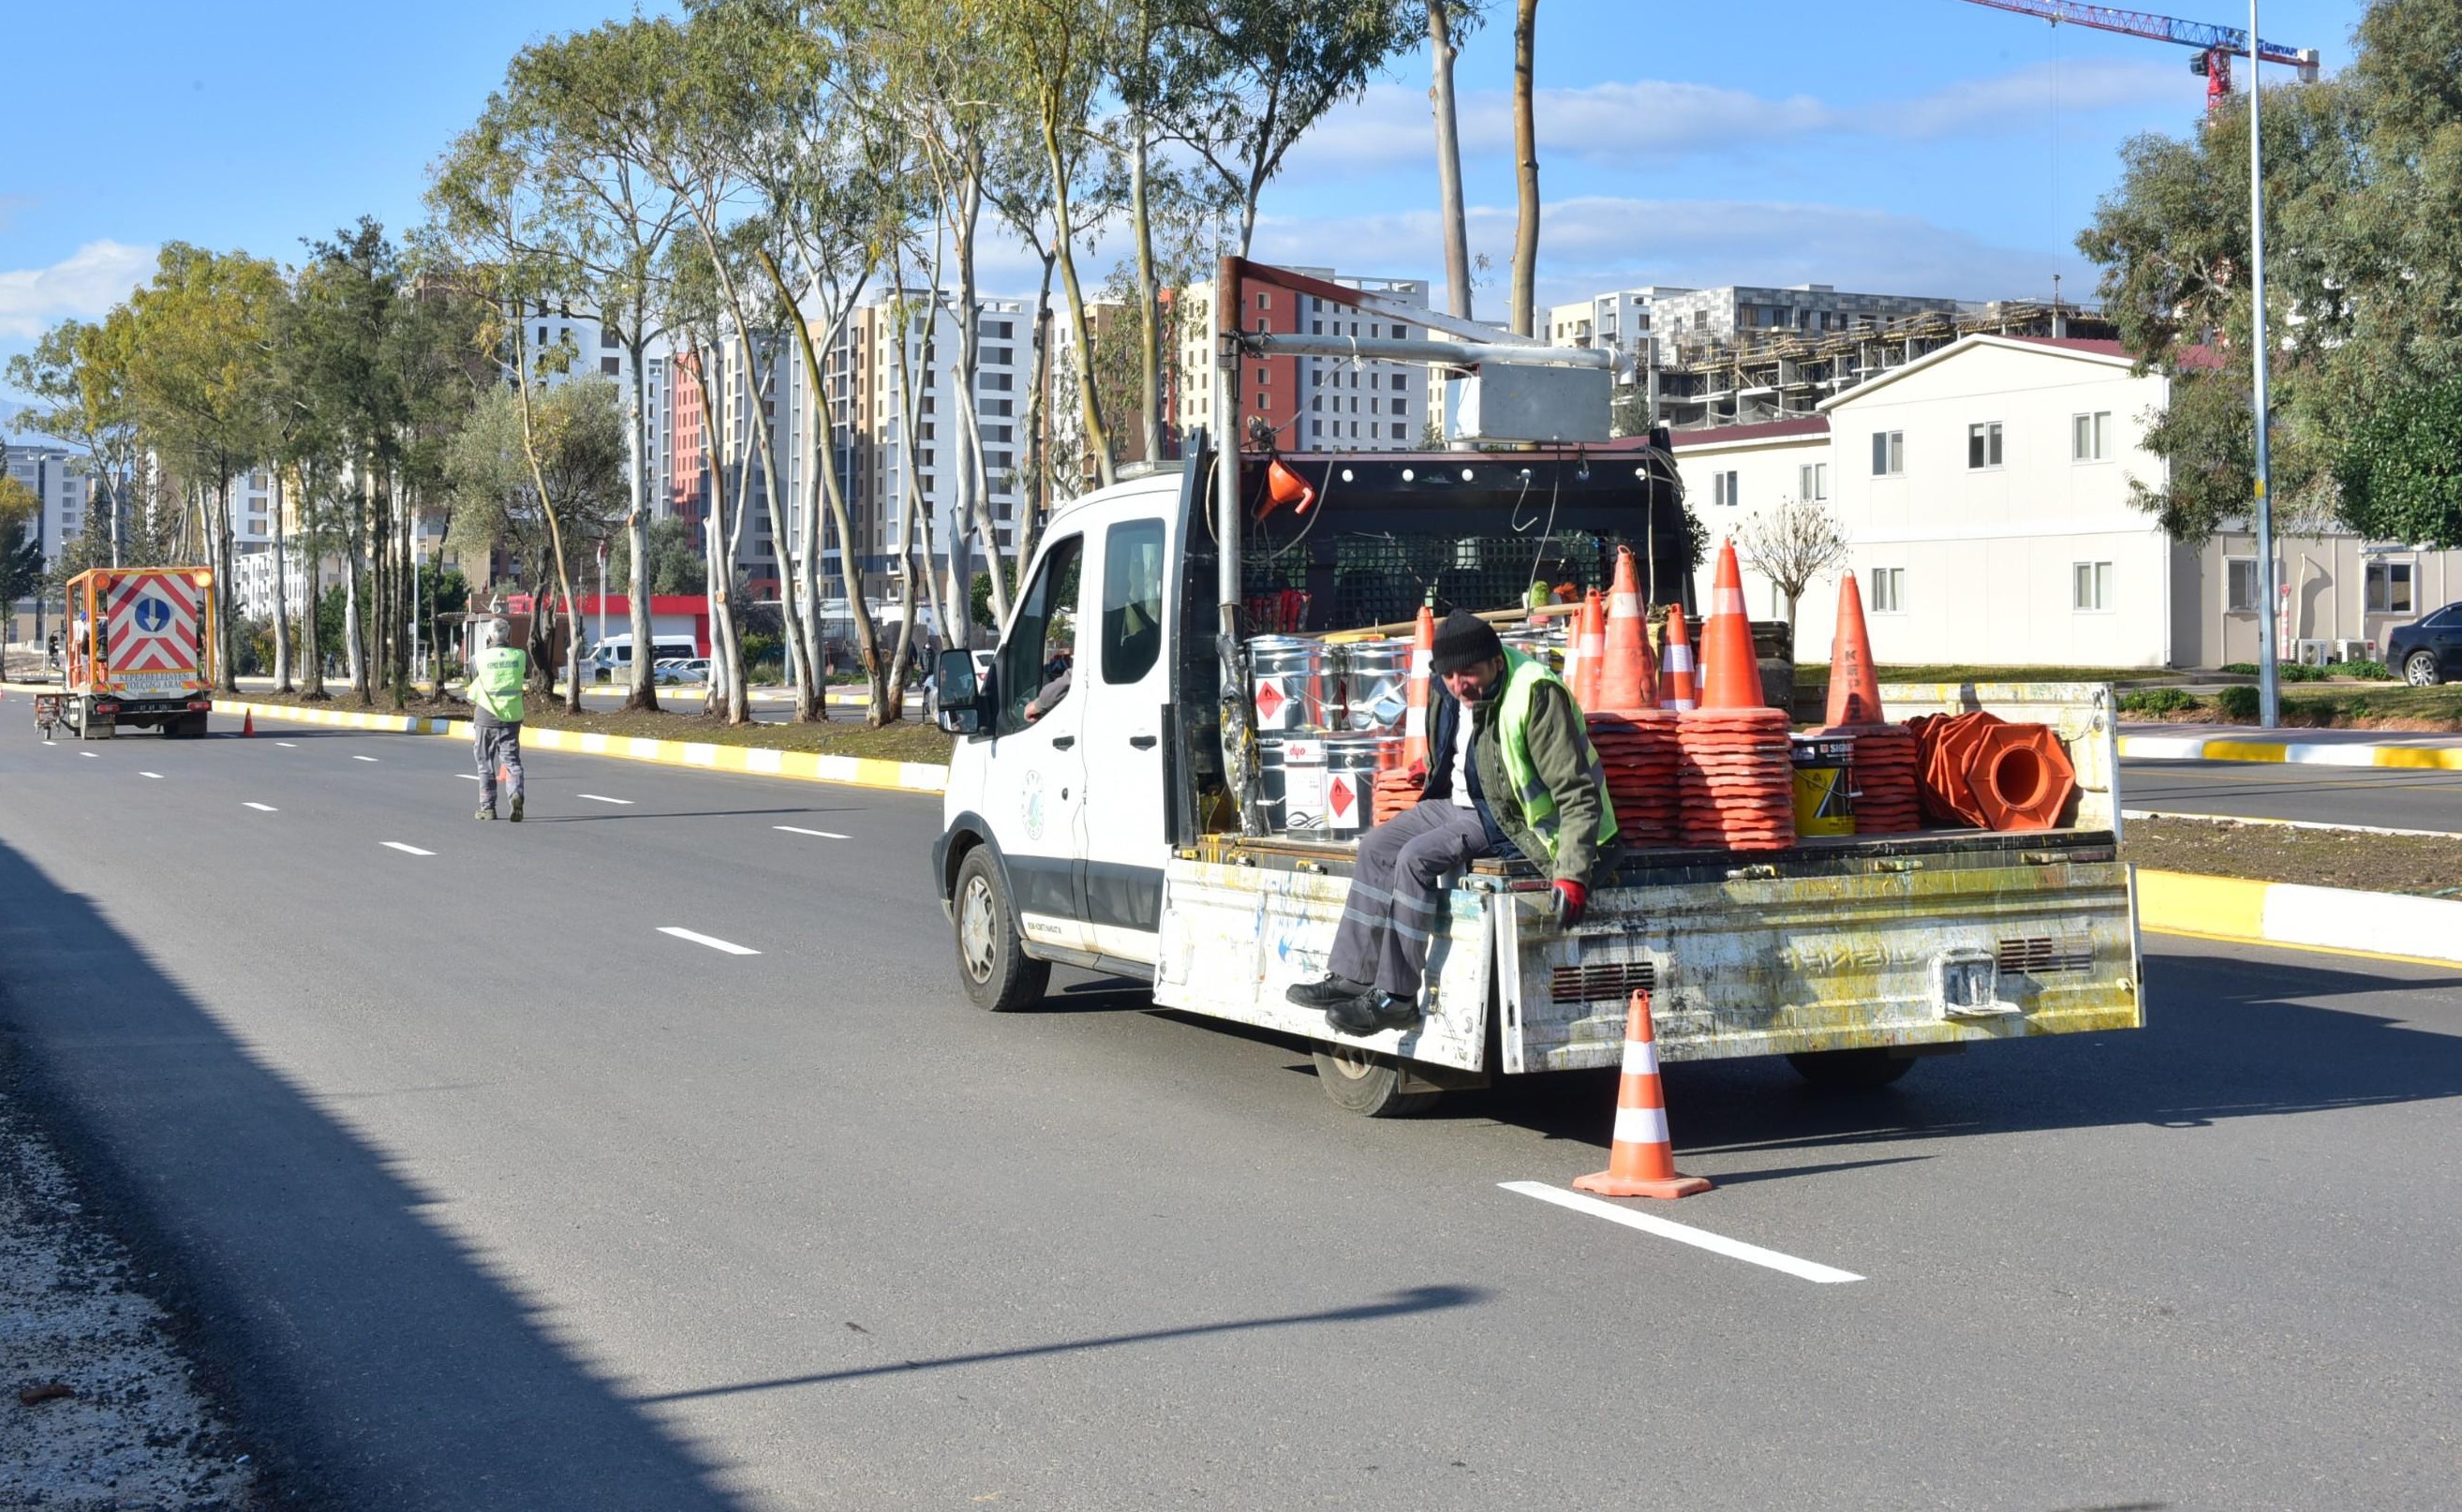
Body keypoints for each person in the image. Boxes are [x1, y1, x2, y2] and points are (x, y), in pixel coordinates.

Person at [1287, 609, 1619, 1036]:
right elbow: (1464, 747)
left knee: (1414, 858)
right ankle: (1354, 975)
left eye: (1469, 675)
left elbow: (1576, 792)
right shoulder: (1449, 686)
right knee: (1376, 847)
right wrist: (1429, 766)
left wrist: (1573, 872)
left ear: (1496, 662)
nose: (1460, 686)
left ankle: (1396, 997)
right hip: (1460, 802)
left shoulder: (1534, 694)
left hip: (1511, 817)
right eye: (1450, 677)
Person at [467, 617, 529, 823]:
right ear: (509, 636)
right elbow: (525, 675)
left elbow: (471, 680)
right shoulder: (520, 656)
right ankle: (515, 794)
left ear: (488, 637)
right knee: (511, 761)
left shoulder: (478, 658)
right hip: (511, 717)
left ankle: (488, 808)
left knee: (485, 763)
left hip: (485, 717)